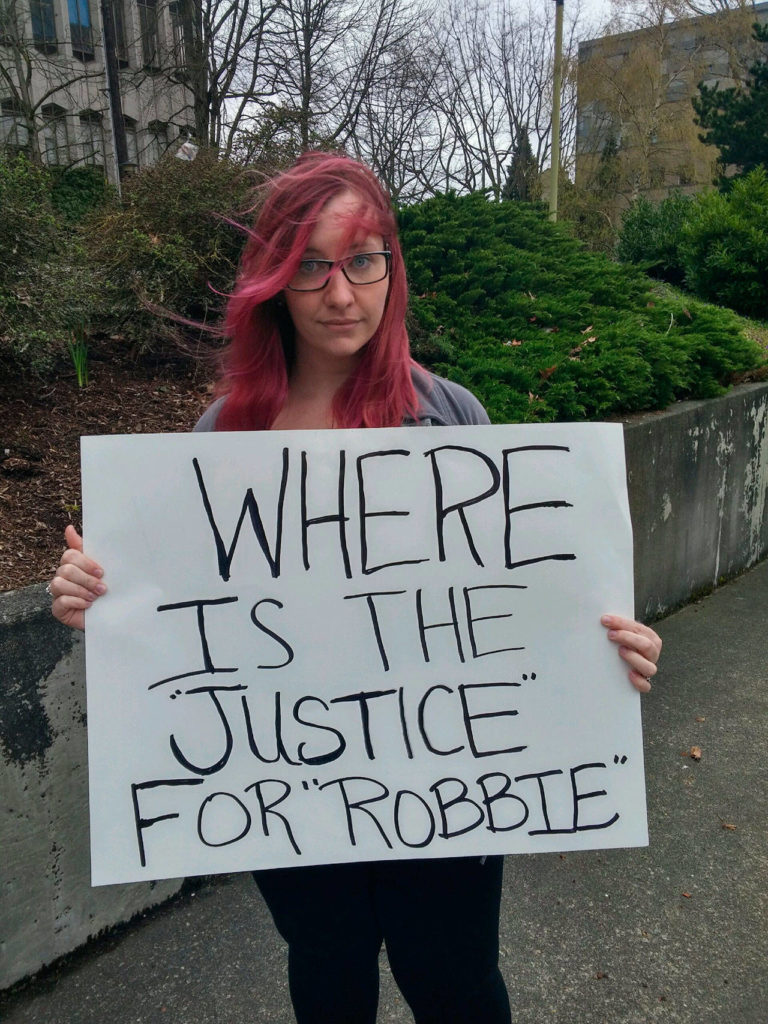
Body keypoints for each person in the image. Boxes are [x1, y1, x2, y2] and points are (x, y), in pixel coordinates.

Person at [49, 152, 662, 1024]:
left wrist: (609, 652)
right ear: (273, 280)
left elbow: (515, 604)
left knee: (452, 977)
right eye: (310, 265)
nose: (342, 294)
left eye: (364, 259)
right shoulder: (220, 435)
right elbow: (184, 610)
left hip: (446, 777)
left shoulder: (452, 418)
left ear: (391, 270)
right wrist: (93, 599)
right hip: (292, 780)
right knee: (328, 968)